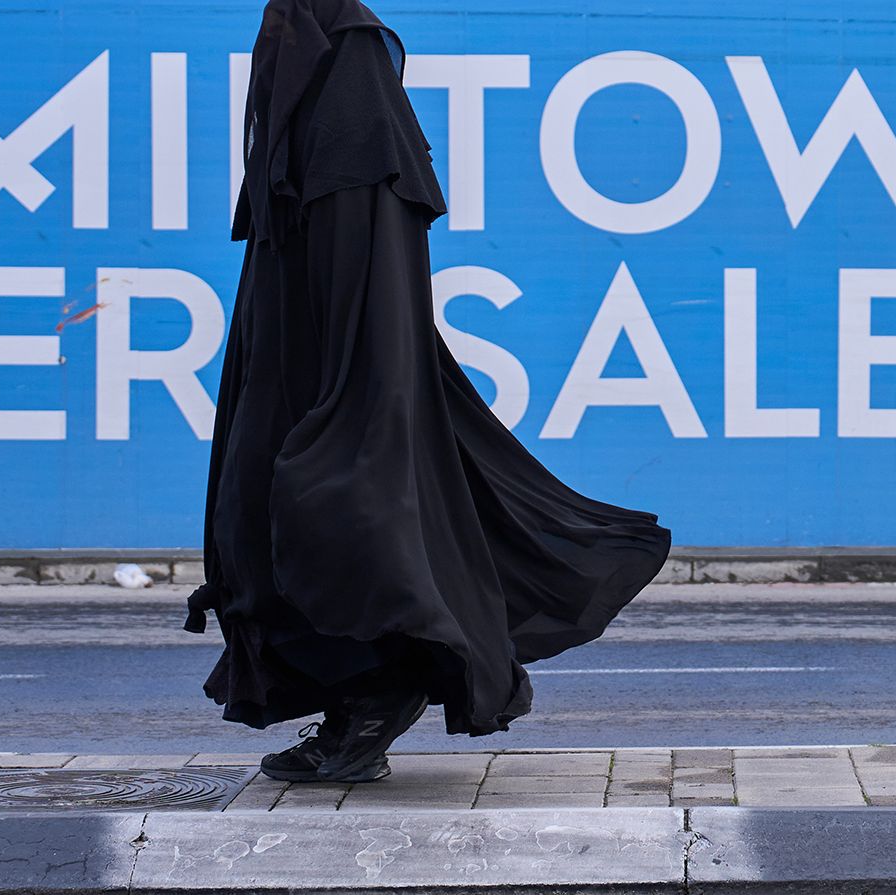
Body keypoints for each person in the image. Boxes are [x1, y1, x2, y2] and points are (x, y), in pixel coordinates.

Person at [183, 0, 672, 784]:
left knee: (332, 514)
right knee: (260, 518)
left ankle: (378, 696)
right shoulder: (315, 58)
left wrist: (349, 389)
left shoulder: (349, 70)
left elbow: (367, 259)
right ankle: (361, 701)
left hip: (343, 363)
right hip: (302, 354)